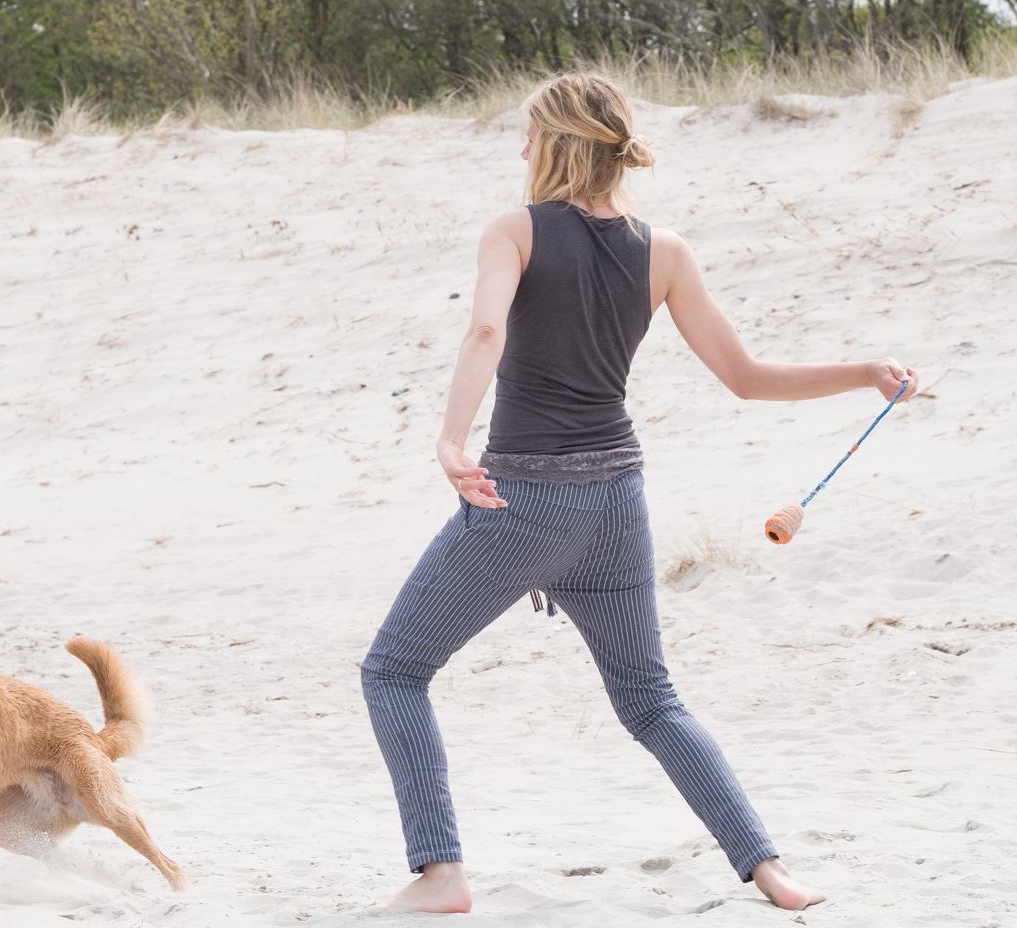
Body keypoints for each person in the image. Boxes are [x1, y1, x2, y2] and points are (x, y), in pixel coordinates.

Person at [358, 71, 918, 914]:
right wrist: (866, 372)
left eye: (528, 134)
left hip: (525, 503)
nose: (519, 150)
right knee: (653, 702)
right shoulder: (665, 250)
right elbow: (747, 376)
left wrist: (449, 441)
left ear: (556, 145)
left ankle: (441, 875)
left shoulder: (513, 230)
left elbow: (485, 329)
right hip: (619, 506)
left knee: (394, 671)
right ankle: (769, 870)